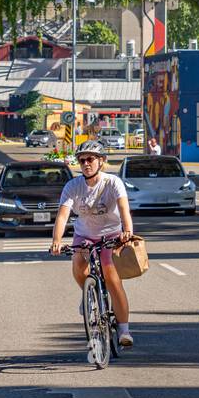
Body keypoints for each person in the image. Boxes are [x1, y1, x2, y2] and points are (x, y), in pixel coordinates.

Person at [51, 140, 136, 348]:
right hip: (85, 234)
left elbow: (124, 208)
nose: (86, 164)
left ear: (101, 161)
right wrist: (56, 241)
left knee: (111, 276)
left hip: (111, 234)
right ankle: (87, 294)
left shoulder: (112, 182)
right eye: (82, 160)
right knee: (78, 264)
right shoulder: (73, 186)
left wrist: (127, 230)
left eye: (90, 159)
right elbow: (63, 216)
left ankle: (124, 330)